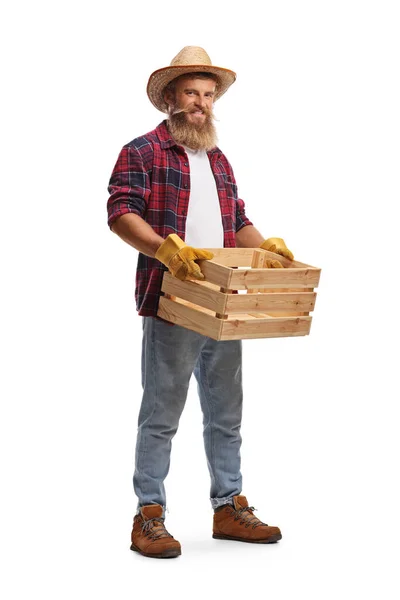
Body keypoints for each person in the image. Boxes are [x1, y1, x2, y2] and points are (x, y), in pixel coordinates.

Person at [107, 46, 294, 559]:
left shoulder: (217, 159)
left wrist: (266, 246)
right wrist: (163, 249)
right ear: (170, 97)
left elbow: (236, 219)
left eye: (209, 95)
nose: (201, 103)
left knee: (226, 413)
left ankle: (228, 507)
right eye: (192, 92)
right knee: (162, 413)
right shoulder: (141, 151)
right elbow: (120, 211)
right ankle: (148, 516)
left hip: (224, 300)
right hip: (174, 300)